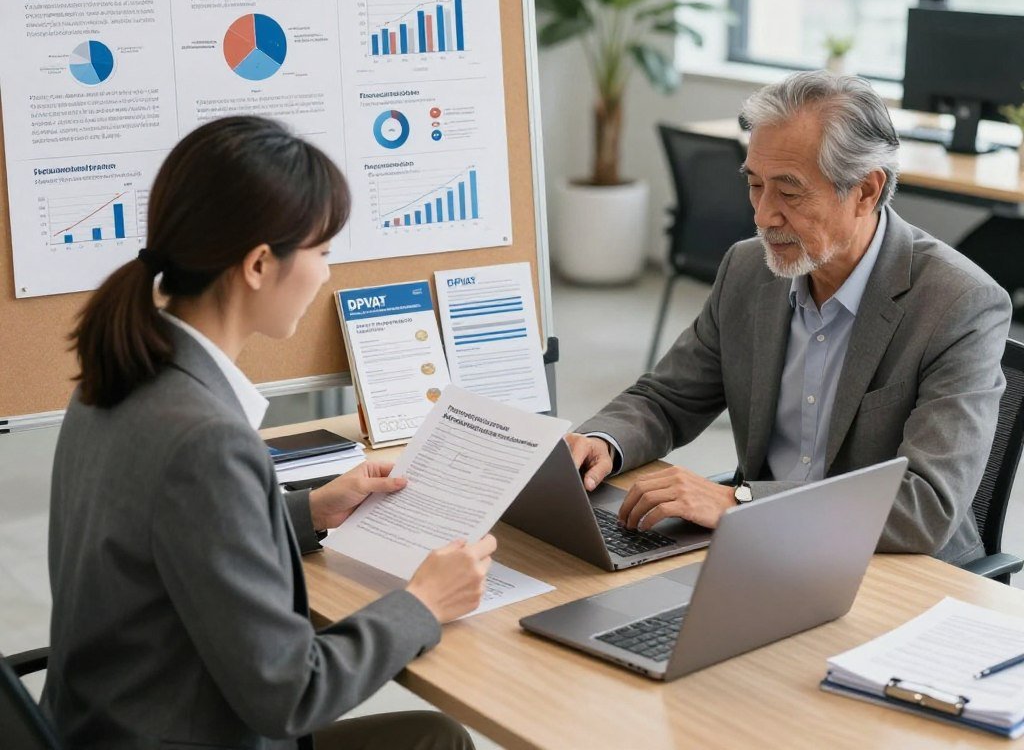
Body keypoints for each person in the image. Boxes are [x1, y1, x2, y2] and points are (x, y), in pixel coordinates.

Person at [43, 115, 493, 750]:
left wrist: (310, 510)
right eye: (323, 253)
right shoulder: (205, 440)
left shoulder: (116, 375)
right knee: (439, 740)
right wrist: (424, 603)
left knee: (432, 737)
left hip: (102, 724)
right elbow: (291, 695)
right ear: (259, 264)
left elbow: (177, 534)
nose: (327, 275)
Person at [567, 71, 1012, 565]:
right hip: (761, 548)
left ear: (866, 191)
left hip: (889, 562)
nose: (763, 215)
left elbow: (924, 507)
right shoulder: (747, 269)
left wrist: (743, 502)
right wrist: (600, 441)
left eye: (790, 192)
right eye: (755, 185)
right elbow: (668, 399)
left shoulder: (959, 305)